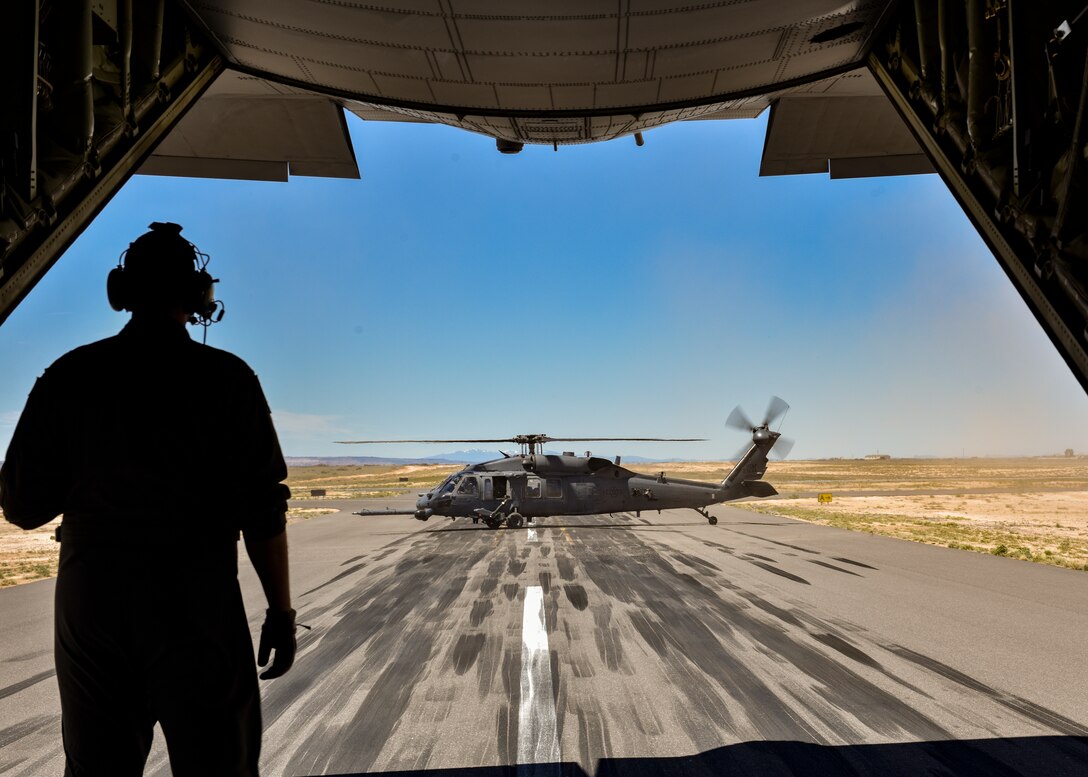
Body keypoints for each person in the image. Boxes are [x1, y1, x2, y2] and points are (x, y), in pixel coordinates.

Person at [0, 222, 295, 776]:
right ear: (199, 297)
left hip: (92, 601)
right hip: (197, 598)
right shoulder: (228, 379)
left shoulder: (67, 377)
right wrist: (280, 612)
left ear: (121, 291)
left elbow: (21, 506)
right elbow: (263, 509)